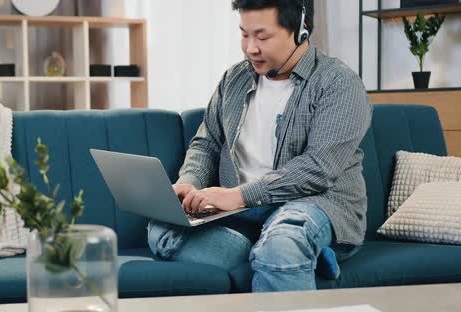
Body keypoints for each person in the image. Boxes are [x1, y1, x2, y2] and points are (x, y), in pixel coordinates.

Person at [147, 0, 372, 292]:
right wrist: (190, 183)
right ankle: (294, 259)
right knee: (162, 228)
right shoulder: (234, 79)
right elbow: (207, 144)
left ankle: (284, 252)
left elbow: (318, 169)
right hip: (241, 211)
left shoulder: (338, 83)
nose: (250, 48)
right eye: (244, 34)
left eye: (262, 37)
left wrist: (239, 196)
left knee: (283, 244)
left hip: (310, 205)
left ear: (301, 29)